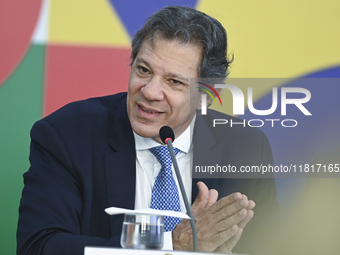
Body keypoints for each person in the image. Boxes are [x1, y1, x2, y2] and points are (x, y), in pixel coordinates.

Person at [17, 6, 280, 255]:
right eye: (143, 70)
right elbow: (39, 245)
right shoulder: (67, 135)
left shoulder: (246, 148)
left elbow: (271, 247)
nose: (149, 92)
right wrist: (170, 243)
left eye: (174, 81)